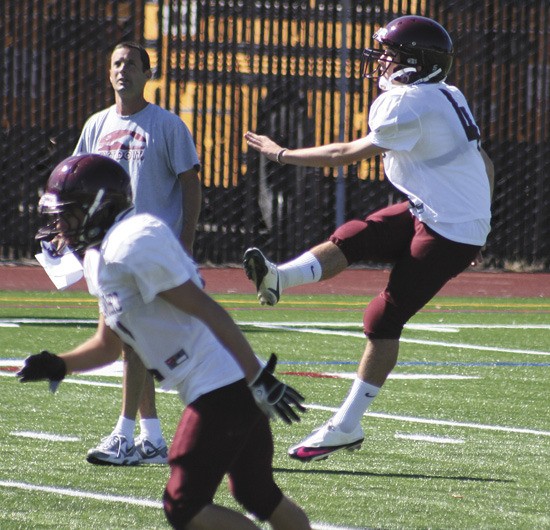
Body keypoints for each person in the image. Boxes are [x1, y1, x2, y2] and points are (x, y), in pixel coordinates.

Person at [243, 15, 494, 462]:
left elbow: (344, 154)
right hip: (440, 213)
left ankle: (347, 425)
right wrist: (481, 219)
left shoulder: (409, 103)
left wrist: (279, 153)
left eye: (390, 54)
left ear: (416, 62)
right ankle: (278, 279)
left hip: (448, 228)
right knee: (358, 234)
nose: (381, 61)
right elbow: (484, 163)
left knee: (382, 319)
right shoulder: (447, 94)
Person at [18, 154, 310, 530]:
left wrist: (257, 377)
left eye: (69, 213)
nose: (59, 223)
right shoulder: (102, 255)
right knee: (257, 493)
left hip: (224, 385)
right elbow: (109, 345)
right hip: (224, 382)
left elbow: (207, 309)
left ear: (100, 208)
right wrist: (61, 364)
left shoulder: (132, 244)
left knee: (183, 506)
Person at [73, 41, 202, 465]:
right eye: (116, 64)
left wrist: (184, 241)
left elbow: (190, 183)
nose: (122, 70)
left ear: (148, 74)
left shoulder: (167, 125)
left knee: (129, 341)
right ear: (108, 74)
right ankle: (151, 438)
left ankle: (124, 436)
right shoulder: (95, 125)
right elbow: (76, 180)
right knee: (135, 344)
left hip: (149, 253)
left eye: (131, 63)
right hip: (109, 254)